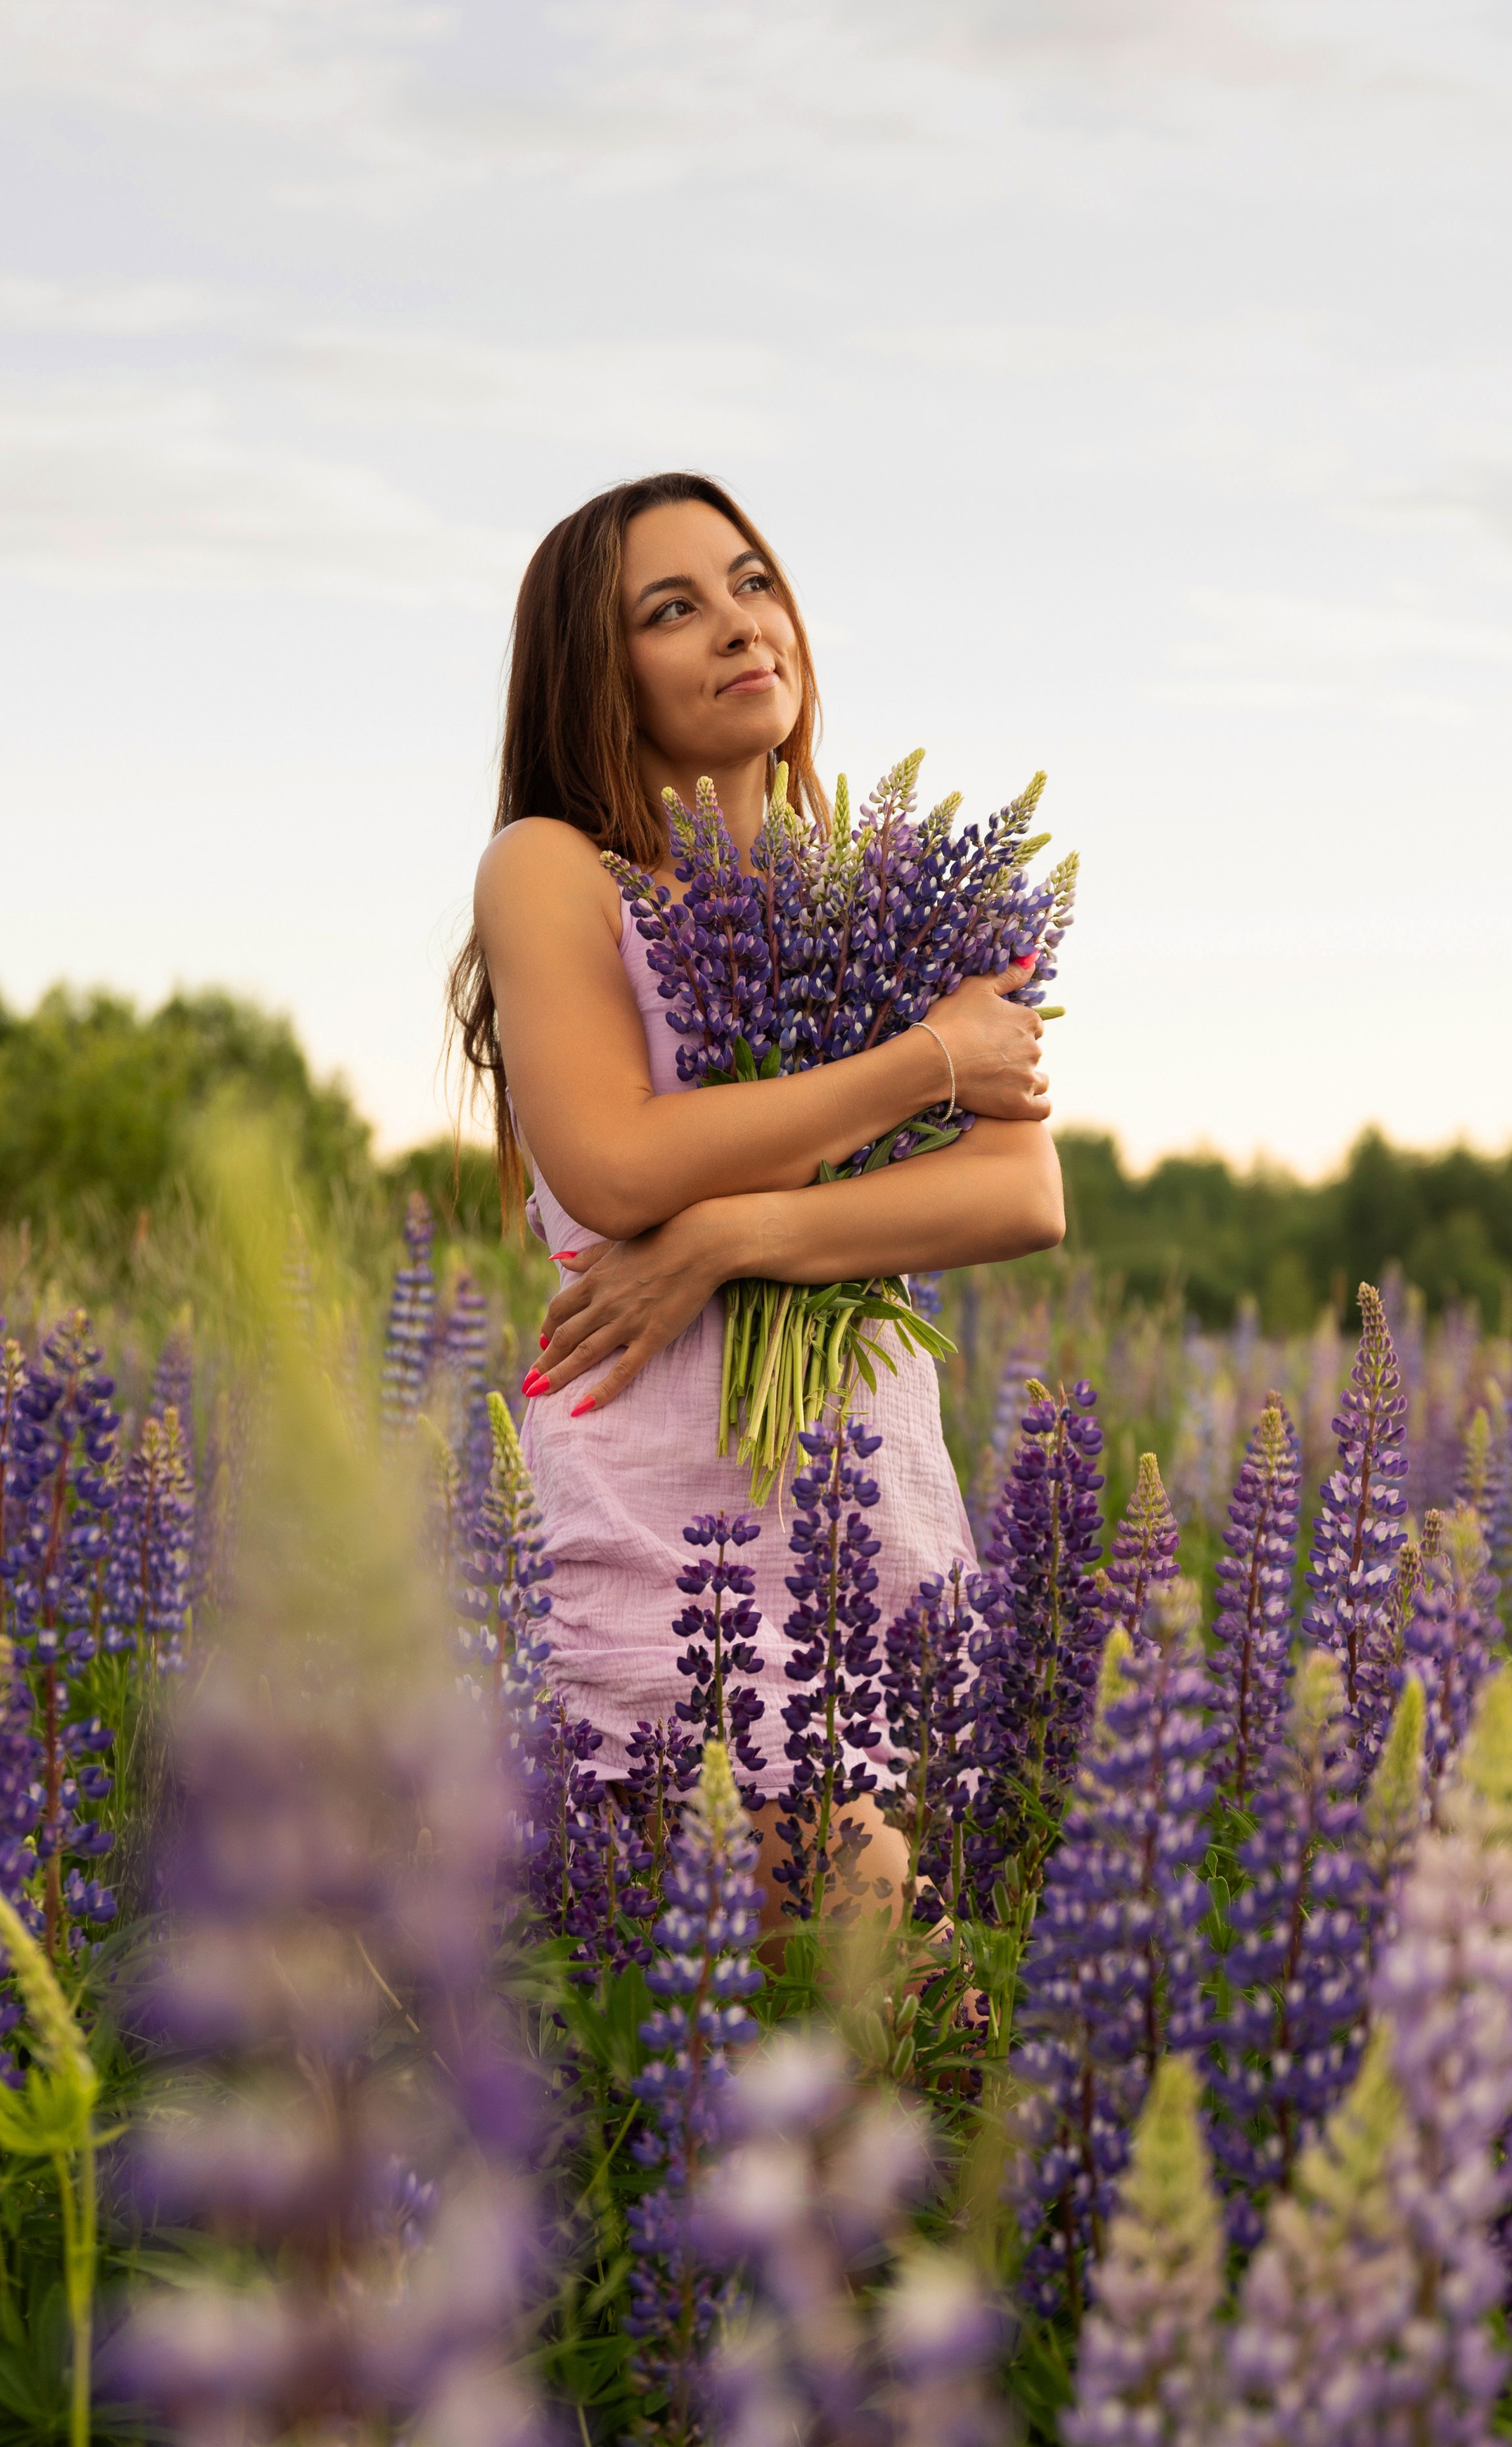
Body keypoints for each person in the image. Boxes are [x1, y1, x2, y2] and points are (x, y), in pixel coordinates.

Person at [451, 471, 1064, 1903]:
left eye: (751, 582)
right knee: (786, 1964)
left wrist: (728, 1232)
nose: (737, 625)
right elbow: (610, 1165)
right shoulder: (555, 869)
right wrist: (925, 1060)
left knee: (877, 2039)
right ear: (597, 676)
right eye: (672, 609)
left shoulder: (888, 888)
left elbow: (1014, 1194)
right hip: (659, 1514)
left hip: (867, 1513)